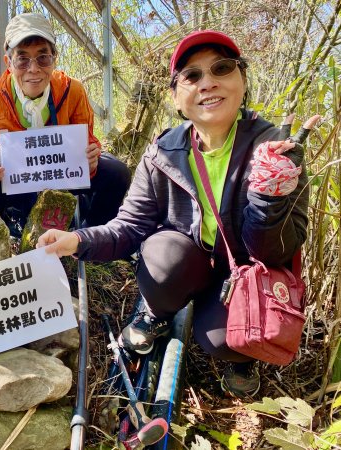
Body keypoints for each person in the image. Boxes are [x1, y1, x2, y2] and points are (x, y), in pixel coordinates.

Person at [37, 30, 319, 398]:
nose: (208, 83)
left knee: (220, 341)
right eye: (192, 75)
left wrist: (270, 196)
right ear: (176, 96)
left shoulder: (276, 153)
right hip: (189, 262)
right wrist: (77, 239)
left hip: (245, 272)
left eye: (222, 68)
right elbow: (130, 226)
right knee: (162, 255)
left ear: (242, 80)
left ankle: (239, 347)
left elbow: (274, 253)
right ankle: (158, 313)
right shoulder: (163, 153)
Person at [0, 13, 131, 236]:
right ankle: (10, 233)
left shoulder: (73, 90)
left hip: (63, 175)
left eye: (43, 58)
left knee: (116, 172)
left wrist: (90, 156)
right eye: (22, 59)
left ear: (54, 58)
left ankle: (91, 238)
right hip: (15, 185)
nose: (33, 69)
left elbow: (88, 138)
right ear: (8, 62)